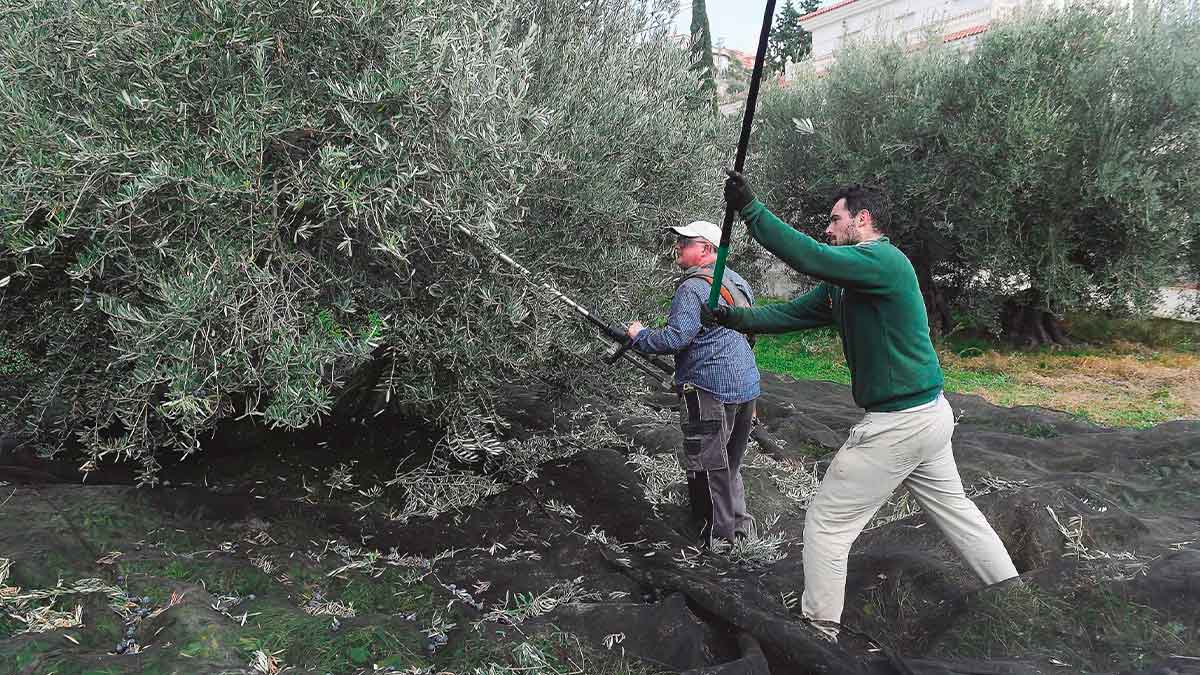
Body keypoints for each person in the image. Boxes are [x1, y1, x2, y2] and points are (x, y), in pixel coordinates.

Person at [706, 172, 1019, 633]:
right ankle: (1016, 595)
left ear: (863, 220)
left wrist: (752, 210)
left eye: (835, 220)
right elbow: (794, 313)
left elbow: (810, 257)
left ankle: (819, 634)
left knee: (827, 526)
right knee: (959, 515)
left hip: (900, 424)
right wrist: (733, 317)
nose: (827, 231)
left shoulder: (883, 262)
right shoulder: (847, 281)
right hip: (927, 417)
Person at [626, 220, 760, 547]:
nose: (678, 246)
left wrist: (639, 336)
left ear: (706, 249)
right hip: (745, 385)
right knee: (731, 462)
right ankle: (741, 532)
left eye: (686, 242)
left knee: (708, 466)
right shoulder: (736, 281)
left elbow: (676, 337)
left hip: (709, 389)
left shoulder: (694, 287)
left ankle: (717, 541)